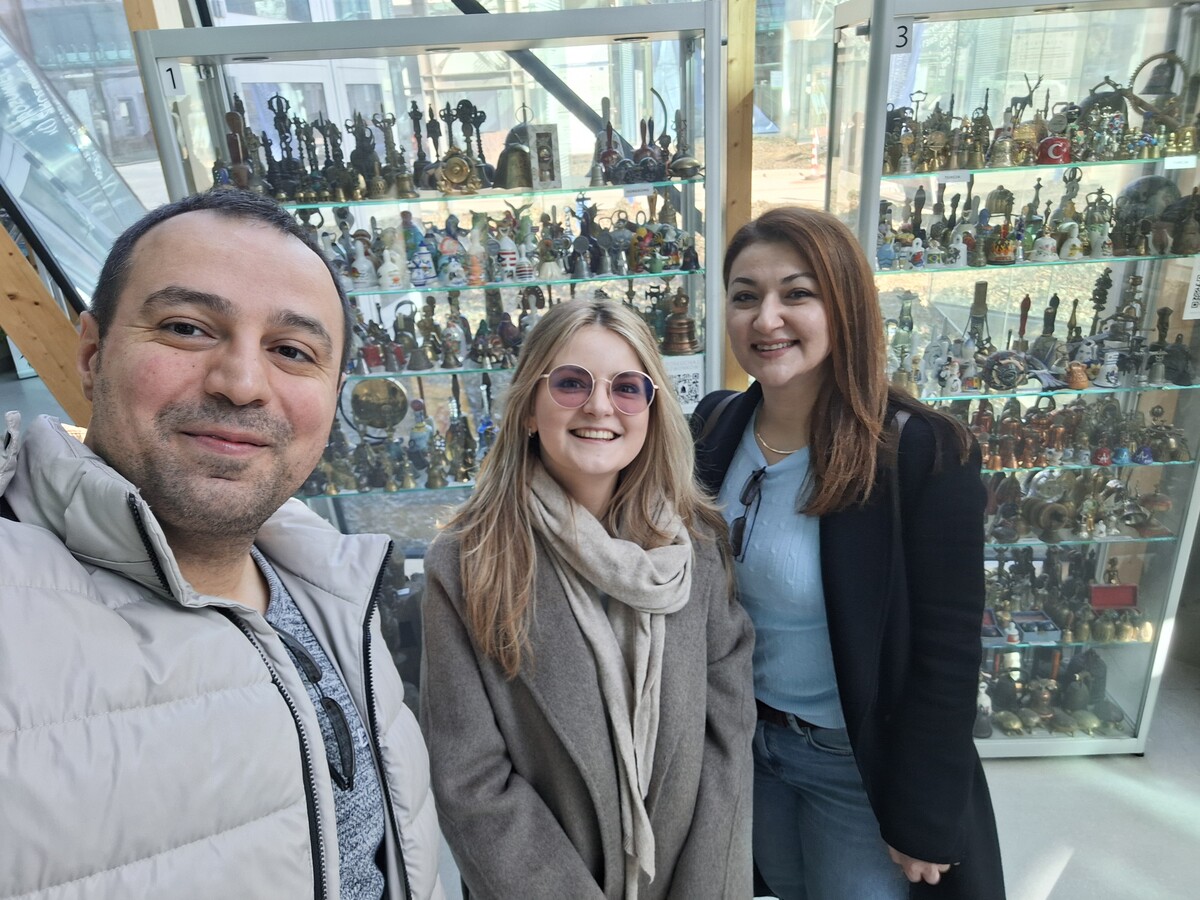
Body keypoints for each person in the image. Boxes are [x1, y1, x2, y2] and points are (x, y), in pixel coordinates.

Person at [0, 190, 444, 900]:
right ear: (91, 353)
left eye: (292, 351)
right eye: (186, 328)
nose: (241, 384)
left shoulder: (336, 590)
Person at [692, 207, 1004, 899]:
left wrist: (925, 811)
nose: (766, 318)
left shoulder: (921, 452)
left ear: (845, 306)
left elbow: (949, 649)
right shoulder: (716, 426)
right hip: (748, 749)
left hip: (856, 768)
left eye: (796, 294)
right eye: (745, 296)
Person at [420, 298, 755, 899]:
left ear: (651, 412)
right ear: (529, 408)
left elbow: (725, 740)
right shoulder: (468, 561)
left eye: (627, 388)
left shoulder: (697, 548)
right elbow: (469, 779)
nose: (600, 406)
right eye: (572, 383)